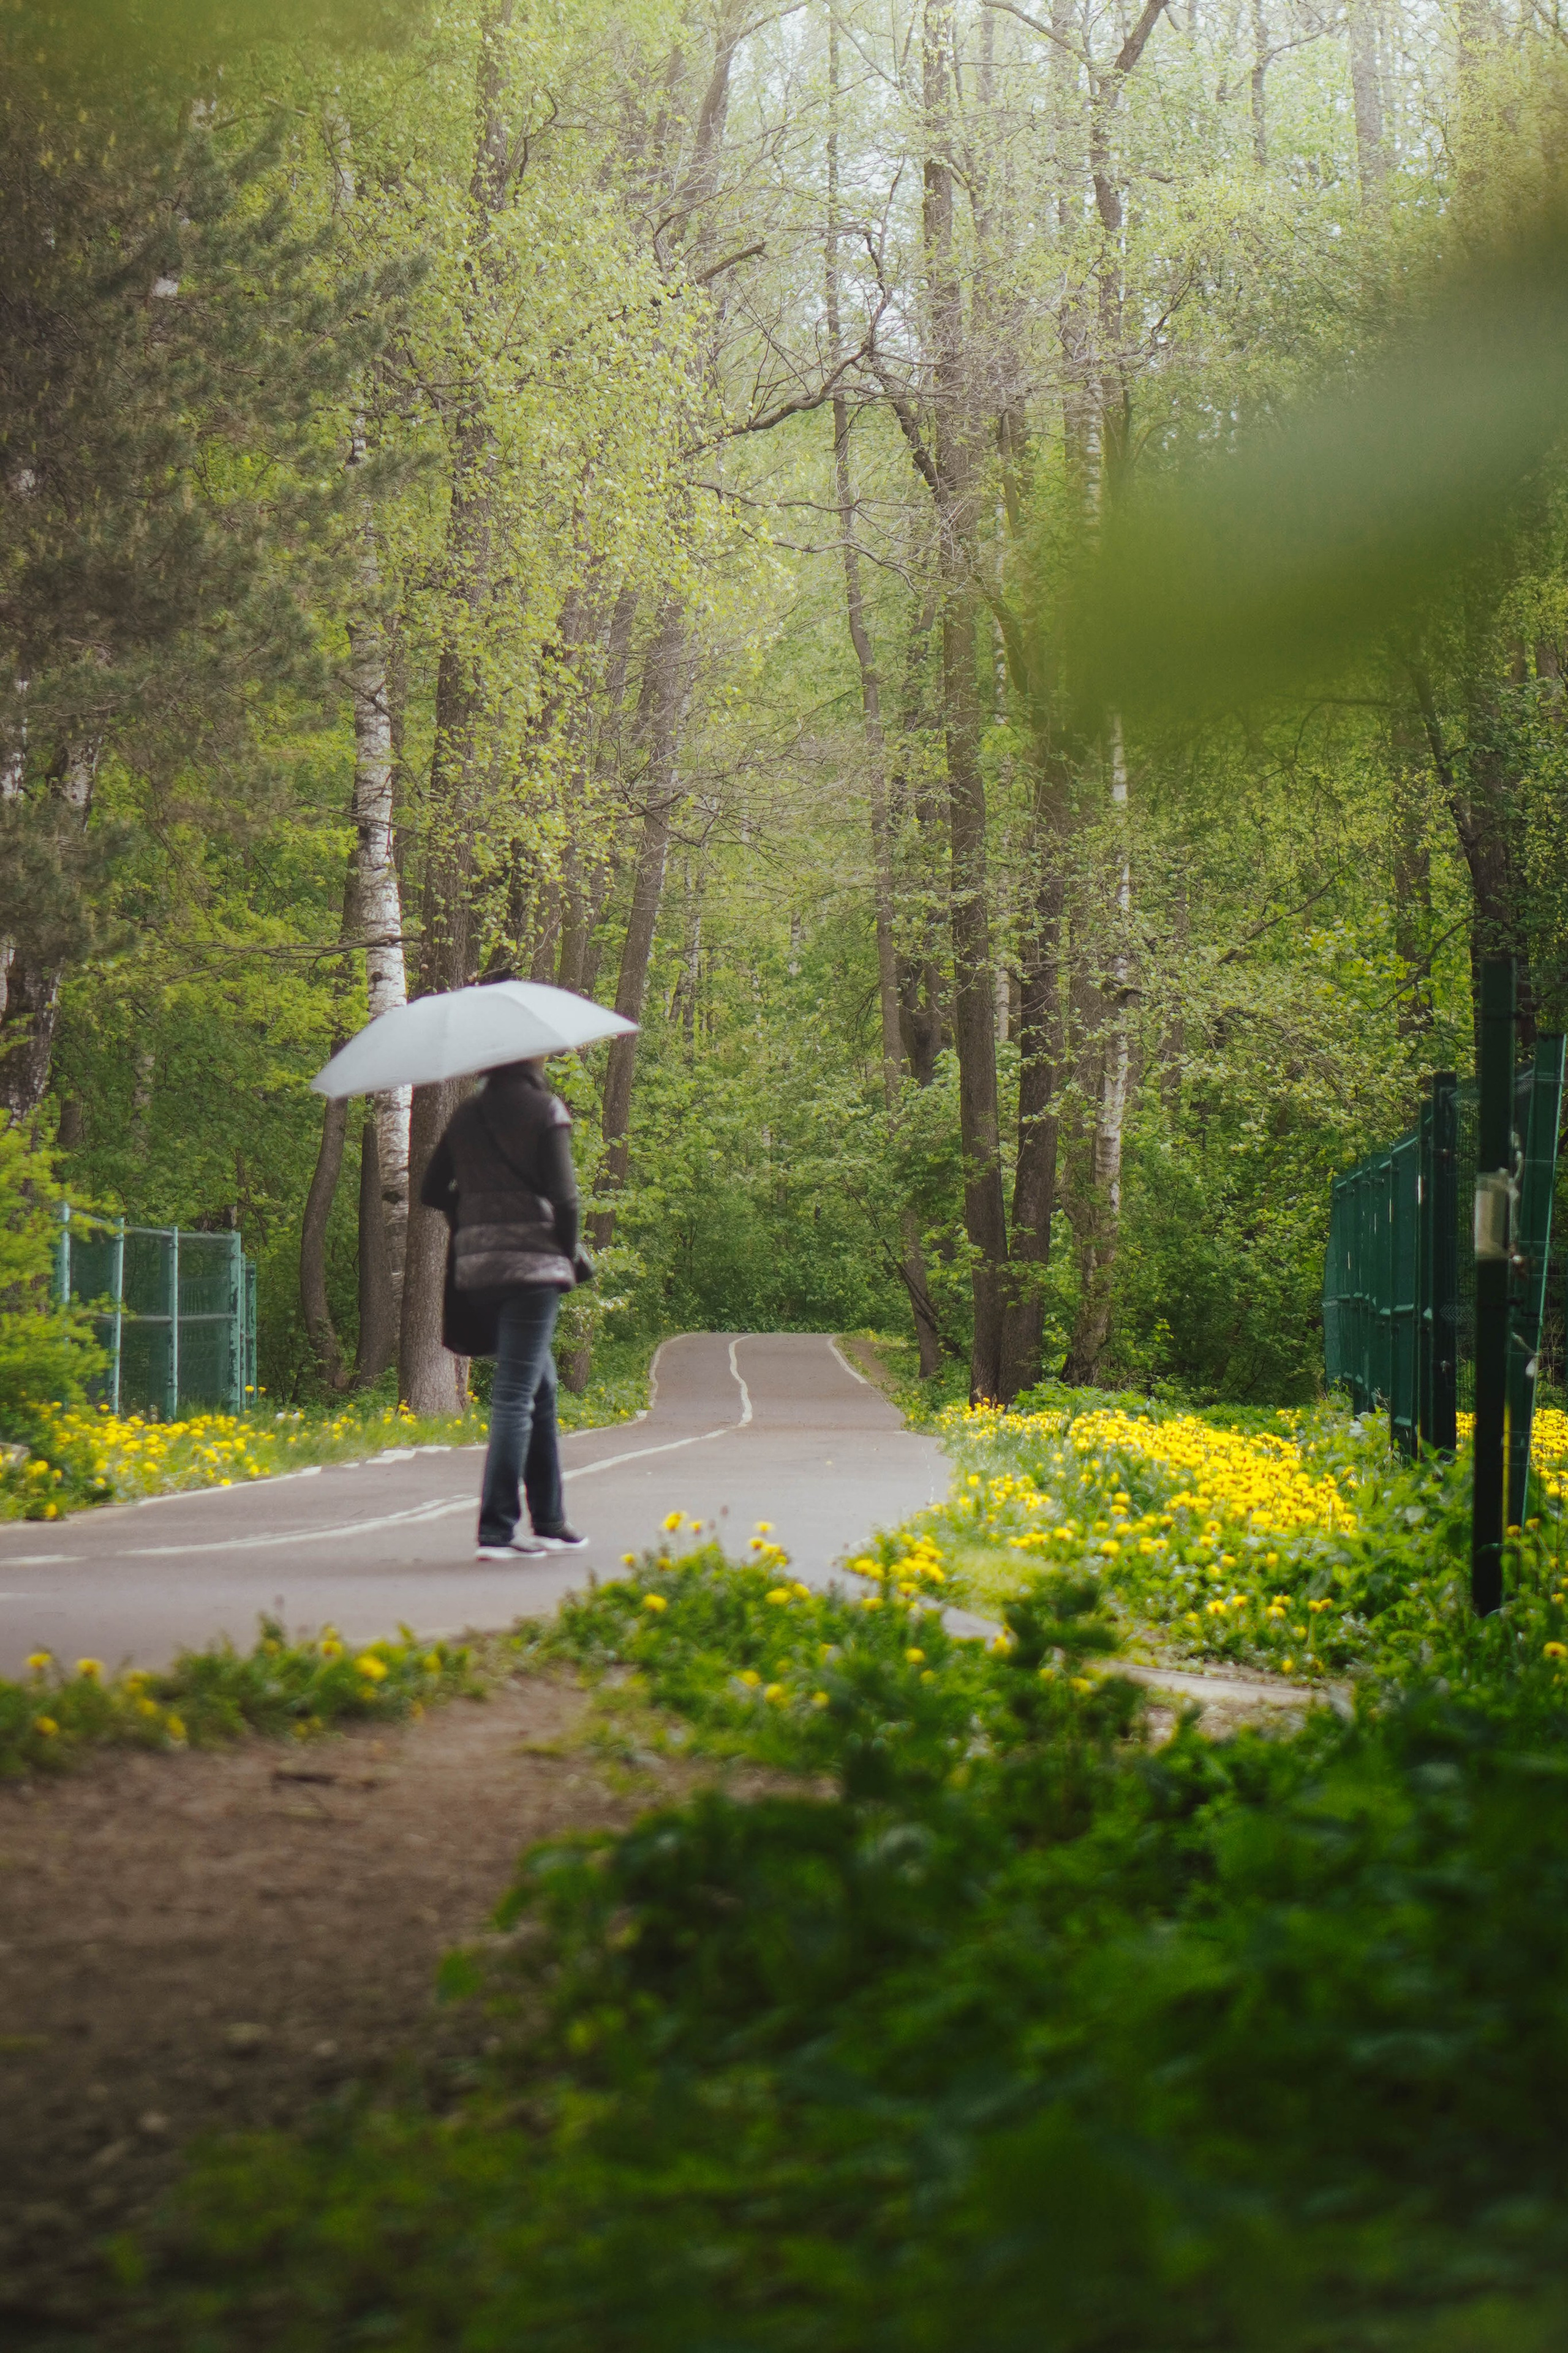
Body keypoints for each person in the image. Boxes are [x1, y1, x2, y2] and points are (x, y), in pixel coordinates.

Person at [419, 1055, 592, 1561]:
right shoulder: (545, 1109)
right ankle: (497, 1529)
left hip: (479, 1270)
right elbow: (566, 1199)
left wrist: (474, 1215)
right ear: (531, 1058)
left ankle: (550, 1520)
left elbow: (432, 1190)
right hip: (534, 1268)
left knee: (542, 1386)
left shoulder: (466, 1115)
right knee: (516, 1393)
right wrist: (566, 1251)